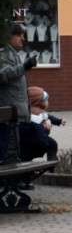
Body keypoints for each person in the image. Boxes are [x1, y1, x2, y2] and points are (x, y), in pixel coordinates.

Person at [0, 23, 35, 159]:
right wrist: (25, 66)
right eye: (19, 35)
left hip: (15, 116)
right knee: (7, 156)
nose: (23, 38)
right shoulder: (4, 54)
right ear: (10, 37)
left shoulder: (13, 55)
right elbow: (4, 75)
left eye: (23, 35)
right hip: (7, 117)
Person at [22, 86, 65, 161]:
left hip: (35, 138)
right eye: (45, 101)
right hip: (33, 140)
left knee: (53, 144)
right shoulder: (35, 115)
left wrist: (59, 121)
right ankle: (51, 162)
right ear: (38, 102)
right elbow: (40, 130)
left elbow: (49, 117)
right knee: (52, 144)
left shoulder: (40, 112)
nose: (47, 103)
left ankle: (52, 160)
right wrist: (44, 143)